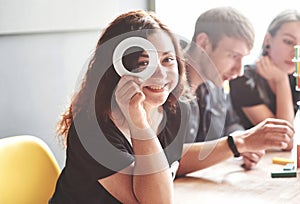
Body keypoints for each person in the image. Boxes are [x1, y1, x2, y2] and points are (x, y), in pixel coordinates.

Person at [49, 10, 294, 203]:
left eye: (168, 60)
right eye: (144, 62)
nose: (161, 74)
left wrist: (236, 143)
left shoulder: (174, 109)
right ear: (117, 69)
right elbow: (155, 201)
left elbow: (172, 160)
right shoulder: (92, 131)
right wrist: (139, 122)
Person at [184, 7, 264, 168]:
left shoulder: (216, 83)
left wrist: (240, 141)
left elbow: (231, 124)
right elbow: (162, 161)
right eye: (233, 56)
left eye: (243, 59)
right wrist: (235, 144)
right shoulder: (161, 86)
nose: (239, 71)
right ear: (203, 43)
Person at [230, 9, 300, 151]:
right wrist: (281, 81)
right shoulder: (242, 78)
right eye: (288, 42)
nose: (295, 52)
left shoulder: (294, 78)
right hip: (243, 163)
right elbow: (283, 141)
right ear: (268, 40)